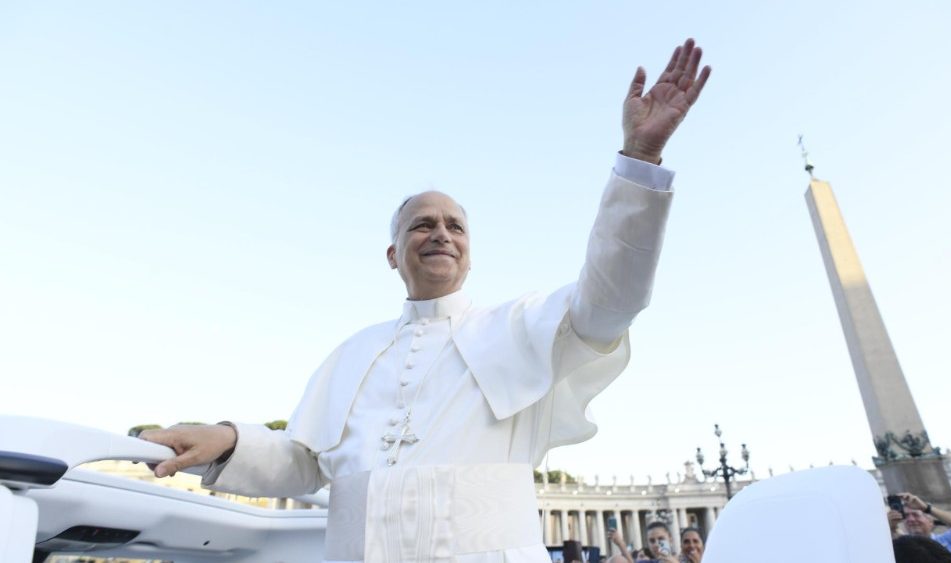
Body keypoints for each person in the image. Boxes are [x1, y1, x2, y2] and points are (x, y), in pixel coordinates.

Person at [141, 38, 711, 563]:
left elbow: (613, 300)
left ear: (469, 254)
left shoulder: (521, 328)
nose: (441, 233)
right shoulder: (352, 353)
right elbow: (304, 461)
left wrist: (639, 160)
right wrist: (229, 441)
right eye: (422, 224)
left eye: (455, 226)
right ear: (393, 254)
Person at [887, 491, 951, 563]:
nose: (911, 519)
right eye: (906, 516)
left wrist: (926, 508)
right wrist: (889, 527)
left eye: (916, 515)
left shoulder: (947, 540)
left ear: (930, 521)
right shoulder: (902, 547)